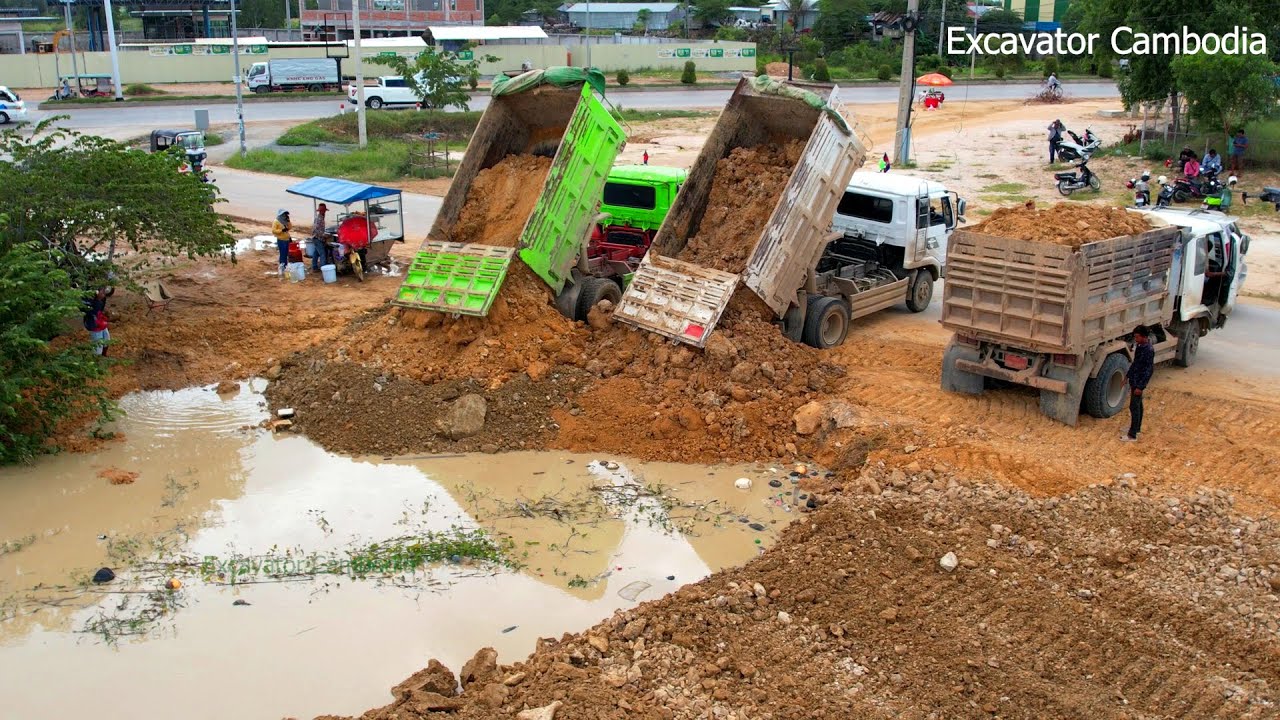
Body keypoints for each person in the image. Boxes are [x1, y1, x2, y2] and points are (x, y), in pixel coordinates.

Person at [1122, 325, 1154, 442]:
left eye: (1137, 337)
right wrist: (1127, 376)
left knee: (1134, 406)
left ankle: (1132, 435)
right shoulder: (1141, 346)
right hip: (1135, 380)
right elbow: (1135, 364)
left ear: (1143, 337)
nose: (1135, 339)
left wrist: (1141, 386)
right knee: (1138, 405)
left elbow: (1148, 370)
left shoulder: (1148, 350)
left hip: (1138, 382)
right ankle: (1136, 428)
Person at [83, 286, 115, 357]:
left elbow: (100, 308)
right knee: (97, 347)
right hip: (93, 323)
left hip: (100, 321)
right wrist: (98, 299)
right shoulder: (90, 297)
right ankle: (96, 361)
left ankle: (103, 356)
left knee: (106, 340)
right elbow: (91, 311)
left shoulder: (101, 297)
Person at [272, 209, 292, 278]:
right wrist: (281, 230)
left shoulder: (285, 221)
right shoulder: (276, 221)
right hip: (281, 240)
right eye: (284, 214)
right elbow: (274, 231)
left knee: (287, 254)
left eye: (286, 215)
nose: (285, 216)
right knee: (283, 254)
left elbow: (290, 227)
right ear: (280, 215)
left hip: (287, 239)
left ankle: (285, 267)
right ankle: (282, 267)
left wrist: (288, 221)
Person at [310, 203, 329, 273]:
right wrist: (324, 235)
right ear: (321, 211)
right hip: (317, 238)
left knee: (316, 253)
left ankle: (314, 266)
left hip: (317, 237)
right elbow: (316, 230)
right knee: (322, 253)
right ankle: (324, 269)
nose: (324, 212)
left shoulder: (321, 218)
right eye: (323, 211)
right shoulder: (319, 219)